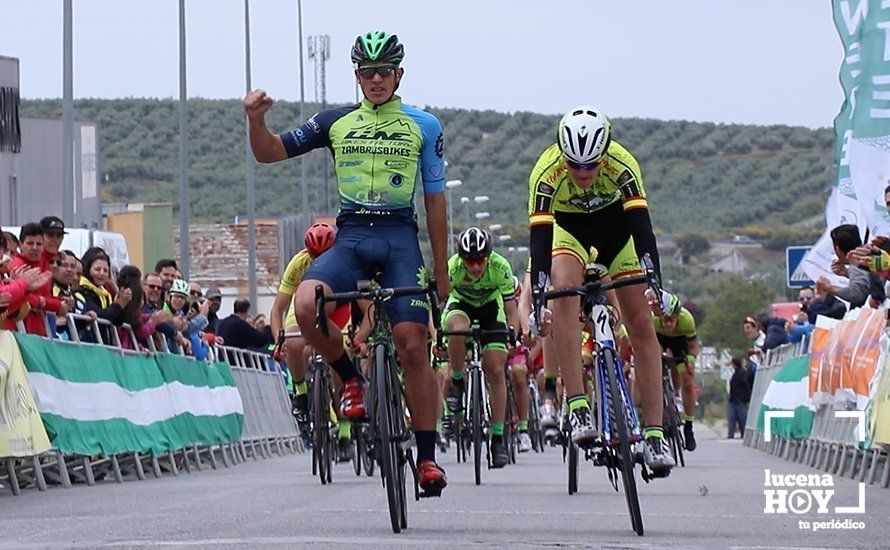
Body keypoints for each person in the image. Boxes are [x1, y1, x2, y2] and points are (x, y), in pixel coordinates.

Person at [245, 31, 450, 494]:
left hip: (400, 238)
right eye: (367, 72)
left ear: (399, 74)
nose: (376, 80)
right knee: (304, 304)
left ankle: (427, 457)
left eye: (384, 72)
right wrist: (255, 120)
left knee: (412, 345)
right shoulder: (335, 122)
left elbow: (436, 203)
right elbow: (270, 151)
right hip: (352, 236)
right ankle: (350, 377)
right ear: (356, 75)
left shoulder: (425, 125)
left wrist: (441, 270)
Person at [527, 106, 674, 475]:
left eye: (591, 165)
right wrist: (540, 294)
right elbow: (540, 242)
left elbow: (643, 230)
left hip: (618, 233)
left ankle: (655, 434)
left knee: (641, 324)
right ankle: (577, 405)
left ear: (604, 152)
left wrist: (654, 280)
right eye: (575, 165)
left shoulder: (624, 166)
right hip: (567, 232)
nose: (583, 173)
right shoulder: (545, 173)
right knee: (564, 290)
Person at [441, 228, 521, 468]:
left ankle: (497, 439)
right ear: (461, 259)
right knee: (456, 328)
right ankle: (457, 381)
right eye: (469, 261)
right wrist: (437, 338)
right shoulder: (452, 268)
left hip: (490, 309)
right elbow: (440, 306)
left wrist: (513, 338)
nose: (475, 267)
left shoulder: (500, 267)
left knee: (495, 370)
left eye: (480, 260)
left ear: (489, 256)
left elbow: (511, 311)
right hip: (461, 305)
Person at [269, 224, 346, 433]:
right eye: (314, 256)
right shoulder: (299, 263)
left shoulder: (343, 261)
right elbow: (277, 310)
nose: (318, 261)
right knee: (294, 343)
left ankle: (346, 425)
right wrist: (279, 342)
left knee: (341, 352)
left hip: (336, 307)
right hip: (304, 306)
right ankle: (300, 392)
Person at [6, 223, 68, 336]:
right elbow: (20, 297)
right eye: (30, 243)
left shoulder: (42, 264)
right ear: (20, 245)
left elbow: (43, 296)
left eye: (38, 244)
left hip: (37, 329)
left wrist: (59, 301)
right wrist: (55, 304)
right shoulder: (18, 265)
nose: (34, 248)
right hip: (21, 329)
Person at [74, 248, 132, 344]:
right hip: (88, 345)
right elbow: (101, 314)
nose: (102, 273)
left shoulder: (105, 294)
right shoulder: (81, 291)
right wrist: (119, 304)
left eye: (105, 270)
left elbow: (117, 321)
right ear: (88, 269)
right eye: (97, 269)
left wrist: (124, 303)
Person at [727, 357, 753, 438]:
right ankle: (740, 434)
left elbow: (745, 386)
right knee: (739, 418)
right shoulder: (741, 373)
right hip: (737, 399)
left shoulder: (740, 373)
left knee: (737, 418)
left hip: (739, 400)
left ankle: (735, 434)